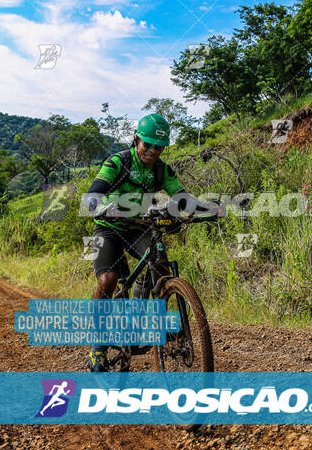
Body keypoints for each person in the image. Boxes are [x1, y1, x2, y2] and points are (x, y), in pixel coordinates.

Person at [84, 113, 223, 372]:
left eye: (159, 146)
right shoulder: (118, 162)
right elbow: (92, 194)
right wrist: (103, 207)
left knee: (159, 263)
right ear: (137, 139)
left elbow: (183, 199)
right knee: (108, 280)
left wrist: (210, 208)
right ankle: (97, 349)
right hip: (109, 228)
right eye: (148, 144)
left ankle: (150, 325)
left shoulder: (161, 170)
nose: (153, 150)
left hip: (139, 227)